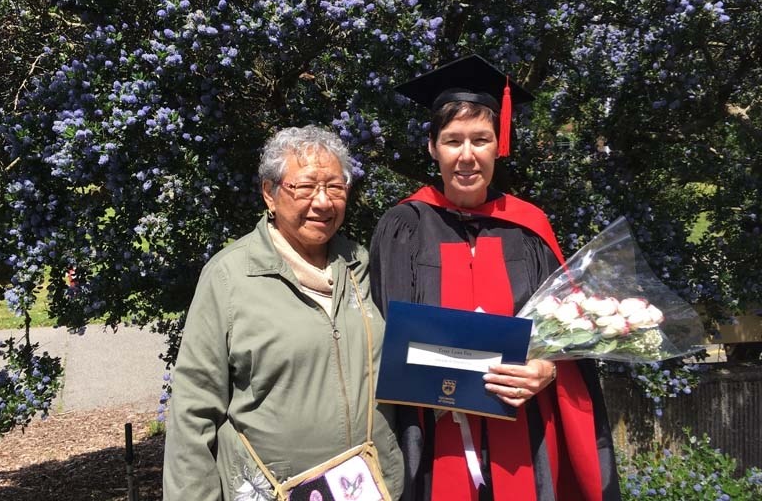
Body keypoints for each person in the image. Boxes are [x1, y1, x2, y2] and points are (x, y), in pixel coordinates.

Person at [369, 55, 621, 501]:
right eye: (452, 141)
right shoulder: (404, 228)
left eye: (480, 140)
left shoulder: (530, 229)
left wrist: (546, 369)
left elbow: (567, 336)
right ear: (433, 148)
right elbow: (385, 333)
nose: (467, 156)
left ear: (498, 144)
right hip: (430, 440)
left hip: (525, 436)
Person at [163, 125, 404, 501]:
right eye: (305, 187)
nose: (322, 202)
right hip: (273, 492)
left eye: (335, 187)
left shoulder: (362, 265)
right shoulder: (231, 277)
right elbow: (193, 410)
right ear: (270, 194)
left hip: (371, 487)